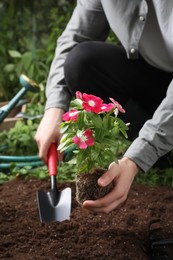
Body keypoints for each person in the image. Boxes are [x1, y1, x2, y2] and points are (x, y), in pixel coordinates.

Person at [35, 0, 173, 214]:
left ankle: (154, 149)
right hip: (155, 75)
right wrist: (55, 108)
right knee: (82, 62)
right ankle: (164, 156)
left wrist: (137, 156)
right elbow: (75, 38)